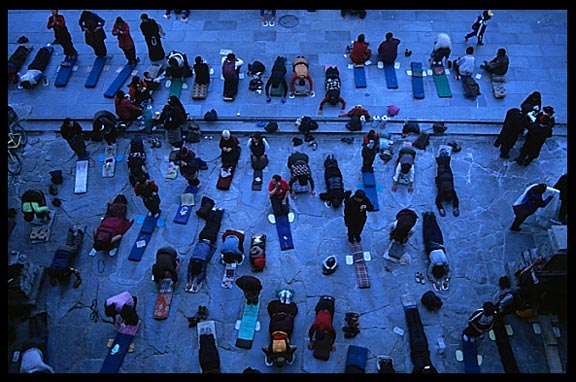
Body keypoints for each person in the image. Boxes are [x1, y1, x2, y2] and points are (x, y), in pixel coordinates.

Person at [261, 291, 298, 368]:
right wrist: (269, 356)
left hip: (286, 329)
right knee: (276, 314)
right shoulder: (271, 351)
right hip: (274, 329)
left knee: (288, 315)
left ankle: (287, 299)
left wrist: (289, 355)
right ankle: (282, 298)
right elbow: (263, 348)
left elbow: (294, 347)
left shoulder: (287, 351)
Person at [403, 301, 438, 373]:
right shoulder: (419, 367)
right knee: (412, 328)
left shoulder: (428, 365)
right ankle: (409, 311)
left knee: (419, 328)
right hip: (415, 348)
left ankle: (414, 310)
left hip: (423, 346)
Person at [422, 212, 452, 291]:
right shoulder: (434, 263)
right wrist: (436, 282)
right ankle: (426, 217)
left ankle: (432, 217)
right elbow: (429, 273)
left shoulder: (444, 261)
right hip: (431, 243)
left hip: (439, 243)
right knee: (427, 229)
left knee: (435, 229)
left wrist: (446, 279)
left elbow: (449, 270)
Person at [308, 296, 337, 360]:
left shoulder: (320, 325)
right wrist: (332, 344)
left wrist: (311, 341)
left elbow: (311, 332)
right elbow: (334, 334)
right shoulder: (319, 325)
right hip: (324, 308)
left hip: (327, 308)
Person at [435, 148, 460, 217]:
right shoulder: (449, 191)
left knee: (444, 163)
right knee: (442, 163)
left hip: (446, 174)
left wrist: (441, 209)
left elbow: (437, 201)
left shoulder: (445, 191)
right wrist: (455, 207)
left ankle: (443, 154)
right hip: (443, 174)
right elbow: (456, 200)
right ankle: (443, 154)